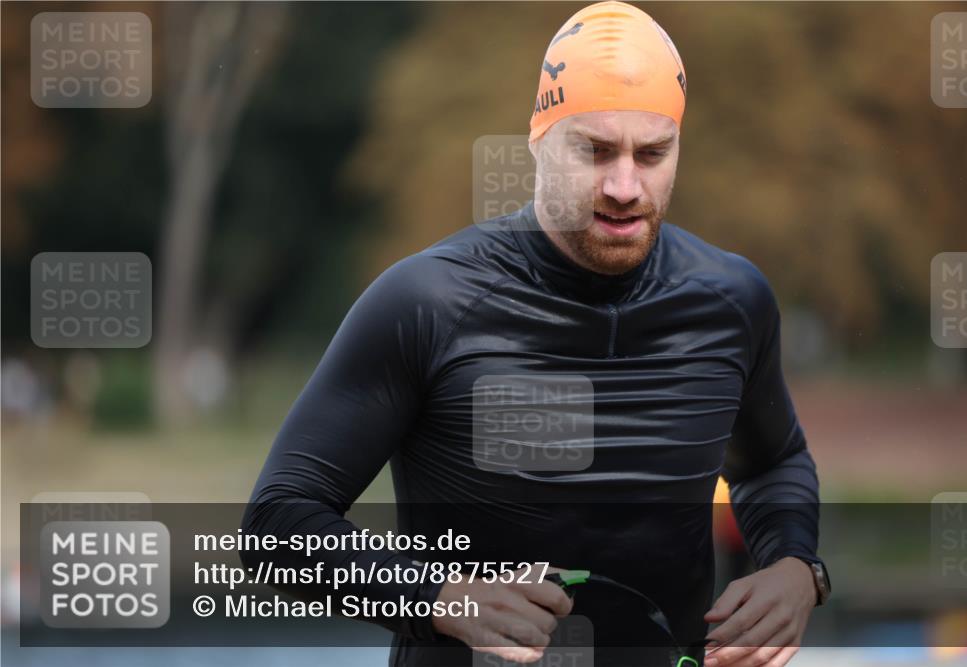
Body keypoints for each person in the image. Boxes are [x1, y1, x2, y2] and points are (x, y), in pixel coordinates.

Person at [242, 2, 828, 666]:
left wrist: (796, 567)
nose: (625, 185)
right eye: (596, 150)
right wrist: (438, 596)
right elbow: (277, 523)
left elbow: (774, 463)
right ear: (539, 139)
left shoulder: (731, 300)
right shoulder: (428, 302)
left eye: (653, 152)